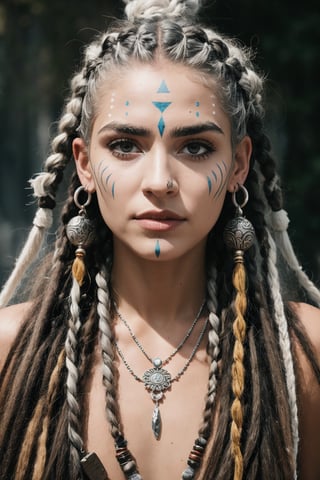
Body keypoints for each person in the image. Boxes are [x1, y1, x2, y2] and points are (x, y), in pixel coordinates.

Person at [0, 0, 319, 479]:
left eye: (195, 147)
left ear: (238, 164)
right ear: (84, 163)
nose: (159, 181)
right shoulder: (10, 352)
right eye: (125, 145)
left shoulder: (303, 357)